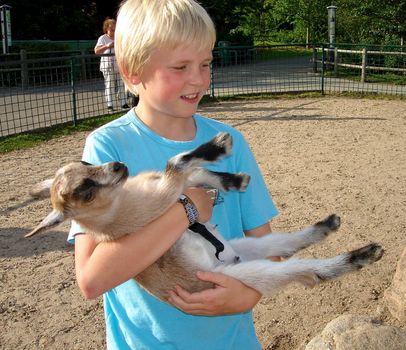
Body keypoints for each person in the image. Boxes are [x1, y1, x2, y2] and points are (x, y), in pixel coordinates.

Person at [68, 0, 278, 349]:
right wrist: (186, 210)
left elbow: (266, 245)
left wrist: (248, 295)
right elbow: (92, 279)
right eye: (180, 66)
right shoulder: (108, 150)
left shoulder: (229, 143)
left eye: (206, 63)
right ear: (132, 71)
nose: (198, 79)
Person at [94, 18, 129, 111]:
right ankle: (110, 104)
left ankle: (123, 103)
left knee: (121, 84)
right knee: (110, 85)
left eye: (115, 28)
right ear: (106, 29)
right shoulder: (103, 38)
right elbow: (96, 51)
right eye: (111, 29)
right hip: (108, 66)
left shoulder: (119, 37)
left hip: (119, 65)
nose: (114, 31)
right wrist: (107, 46)